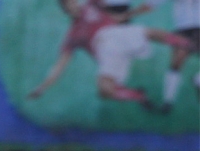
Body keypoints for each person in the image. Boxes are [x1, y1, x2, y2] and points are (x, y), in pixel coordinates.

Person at [28, 0, 193, 108]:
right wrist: (42, 87)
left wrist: (125, 15)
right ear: (65, 11)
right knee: (104, 91)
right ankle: (138, 95)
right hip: (109, 54)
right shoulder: (73, 34)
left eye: (73, 1)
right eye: (68, 5)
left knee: (146, 32)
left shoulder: (93, 5)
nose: (73, 5)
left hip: (116, 36)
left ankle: (186, 43)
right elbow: (60, 65)